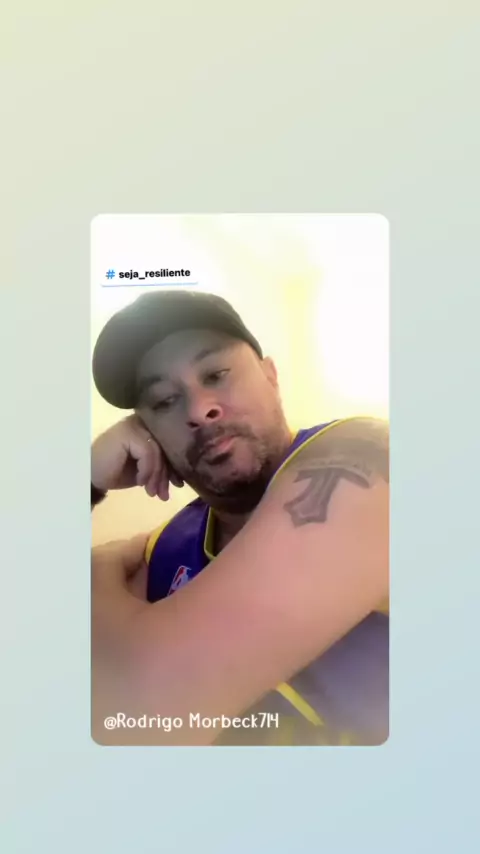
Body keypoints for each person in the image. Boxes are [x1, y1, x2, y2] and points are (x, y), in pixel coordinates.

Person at [91, 289, 389, 746]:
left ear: (270, 376)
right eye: (164, 401)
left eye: (216, 374)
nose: (199, 410)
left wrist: (94, 571)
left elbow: (140, 718)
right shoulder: (166, 544)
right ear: (146, 431)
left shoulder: (365, 456)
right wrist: (88, 482)